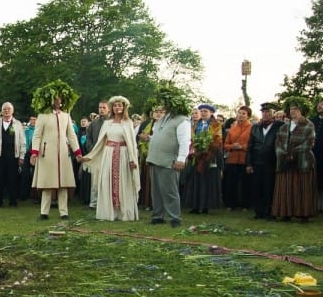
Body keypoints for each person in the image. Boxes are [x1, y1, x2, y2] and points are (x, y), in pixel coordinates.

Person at [81, 95, 139, 221]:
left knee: (123, 182)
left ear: (124, 107)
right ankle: (109, 212)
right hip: (109, 154)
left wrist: (133, 159)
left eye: (120, 105)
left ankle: (123, 212)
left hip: (123, 154)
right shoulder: (107, 123)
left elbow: (132, 144)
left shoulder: (128, 123)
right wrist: (90, 156)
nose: (117, 107)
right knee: (108, 181)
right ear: (112, 108)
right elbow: (100, 142)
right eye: (115, 105)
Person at [145, 86, 192, 227]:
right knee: (157, 191)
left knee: (170, 191)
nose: (163, 105)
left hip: (168, 160)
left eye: (166, 103)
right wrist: (148, 138)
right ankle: (157, 216)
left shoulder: (182, 120)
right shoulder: (162, 119)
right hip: (155, 159)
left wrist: (181, 159)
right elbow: (158, 136)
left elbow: (185, 141)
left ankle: (175, 217)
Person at [30, 94, 81, 220]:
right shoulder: (43, 115)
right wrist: (34, 152)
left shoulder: (66, 116)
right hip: (47, 153)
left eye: (59, 99)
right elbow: (37, 135)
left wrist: (77, 152)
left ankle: (64, 212)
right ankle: (44, 212)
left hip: (63, 153)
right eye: (55, 99)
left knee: (63, 183)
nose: (57, 101)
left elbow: (71, 135)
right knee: (47, 182)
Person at [271, 98, 318, 222]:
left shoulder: (308, 124)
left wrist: (294, 153)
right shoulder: (284, 126)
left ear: (301, 110)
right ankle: (286, 212)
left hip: (302, 160)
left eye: (296, 109)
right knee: (286, 187)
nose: (293, 111)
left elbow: (310, 142)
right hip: (285, 161)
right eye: (291, 109)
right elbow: (278, 142)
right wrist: (283, 153)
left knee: (302, 187)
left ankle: (303, 214)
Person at [182, 104, 223, 215]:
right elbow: (191, 138)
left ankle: (205, 206)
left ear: (211, 113)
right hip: (196, 155)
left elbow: (217, 140)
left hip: (209, 155)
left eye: (205, 111)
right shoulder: (196, 124)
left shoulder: (216, 125)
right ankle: (195, 205)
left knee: (207, 181)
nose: (203, 113)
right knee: (195, 180)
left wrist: (206, 149)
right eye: (202, 111)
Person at [0, 102, 26, 207]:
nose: (6, 111)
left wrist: (22, 156)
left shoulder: (18, 124)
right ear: (1, 111)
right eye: (4, 109)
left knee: (13, 179)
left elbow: (23, 141)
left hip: (14, 156)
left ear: (12, 111)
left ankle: (13, 201)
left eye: (8, 109)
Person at [222, 106, 252, 211]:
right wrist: (232, 146)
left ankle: (245, 205)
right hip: (232, 159)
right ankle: (230, 204)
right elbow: (225, 145)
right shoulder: (232, 128)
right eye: (239, 113)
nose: (241, 115)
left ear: (248, 116)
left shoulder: (252, 128)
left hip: (245, 159)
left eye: (244, 113)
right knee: (231, 182)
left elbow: (253, 145)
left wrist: (242, 147)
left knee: (246, 183)